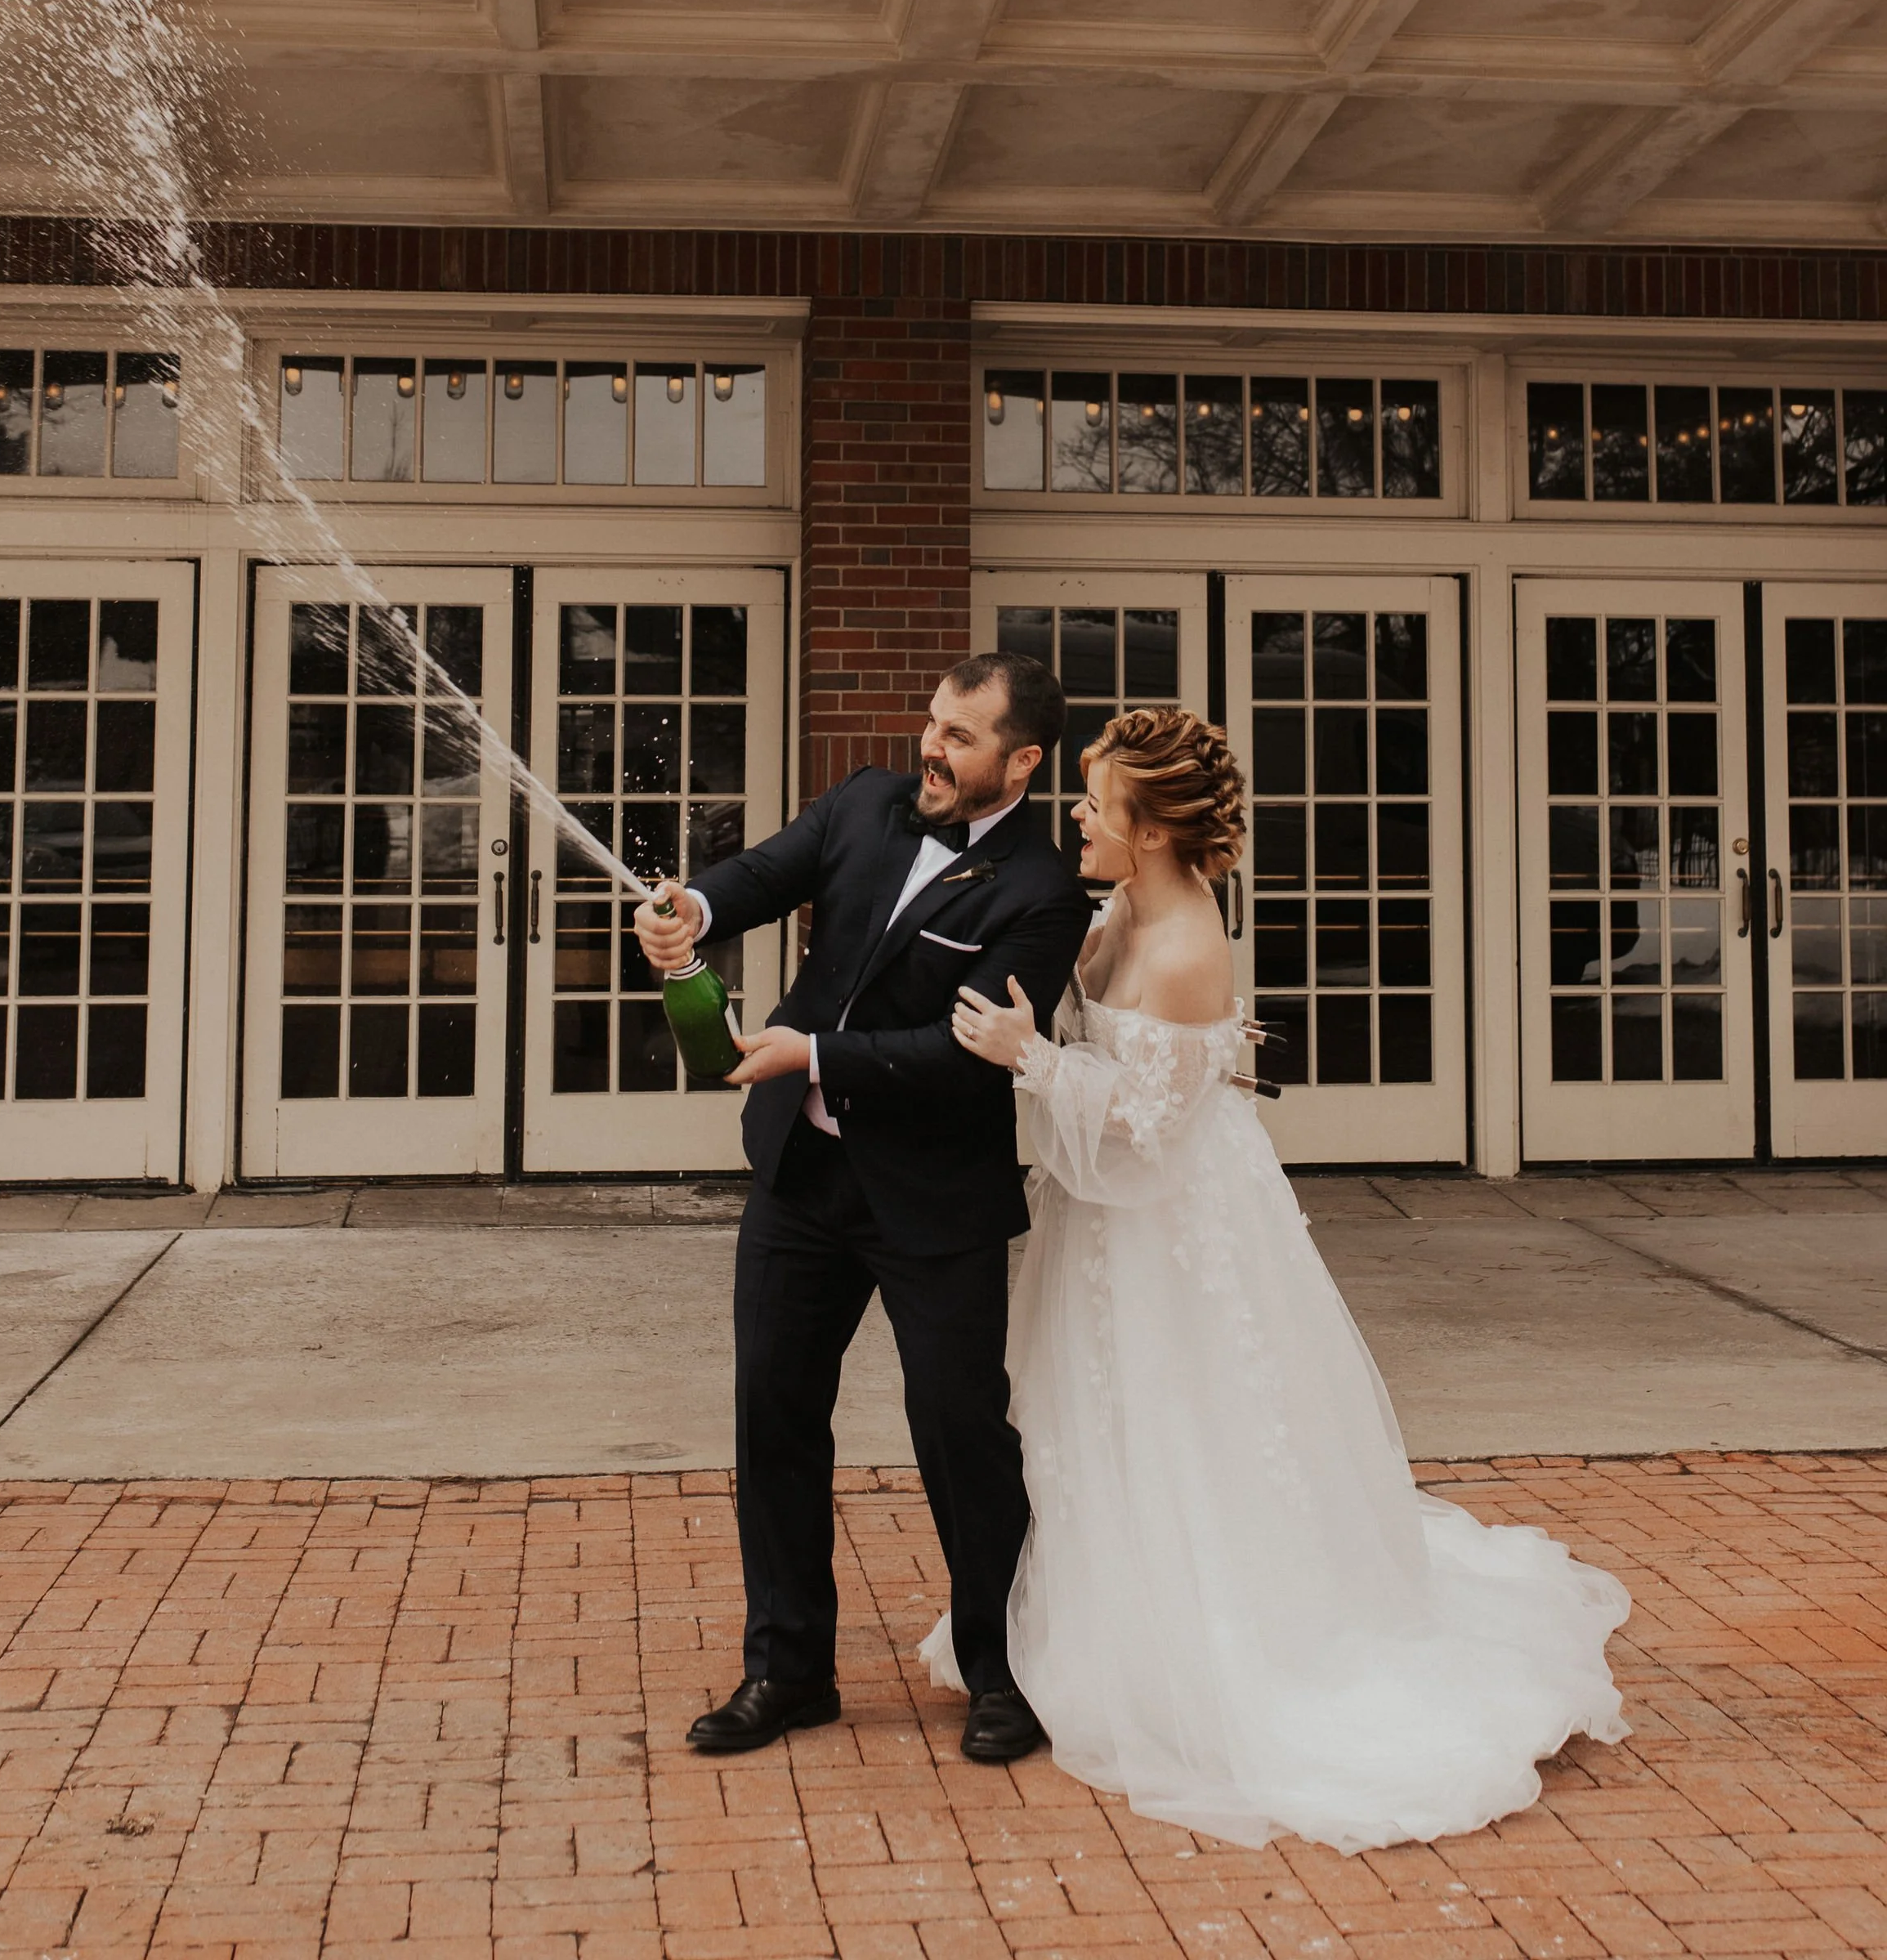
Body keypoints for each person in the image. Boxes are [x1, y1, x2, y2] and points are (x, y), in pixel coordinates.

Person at [944, 704, 1630, 1854]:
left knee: (1189, 1415)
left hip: (1169, 1226)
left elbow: (1150, 1140)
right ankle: (1102, 1615)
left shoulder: (1184, 947)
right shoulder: (1120, 907)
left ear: (1152, 831)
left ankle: (1220, 1641)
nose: (1073, 812)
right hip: (1110, 1226)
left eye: (1094, 801)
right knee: (1101, 1414)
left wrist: (1034, 1062)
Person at [633, 650, 1093, 1765]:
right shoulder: (862, 803)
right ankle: (786, 1671)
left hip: (937, 1199)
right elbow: (760, 875)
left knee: (959, 1436)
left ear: (1023, 761)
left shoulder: (1046, 889)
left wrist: (817, 1050)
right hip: (803, 1178)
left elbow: (971, 1051)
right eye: (932, 721)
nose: (931, 748)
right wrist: (689, 907)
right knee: (775, 1417)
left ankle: (1003, 1673)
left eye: (961, 737)